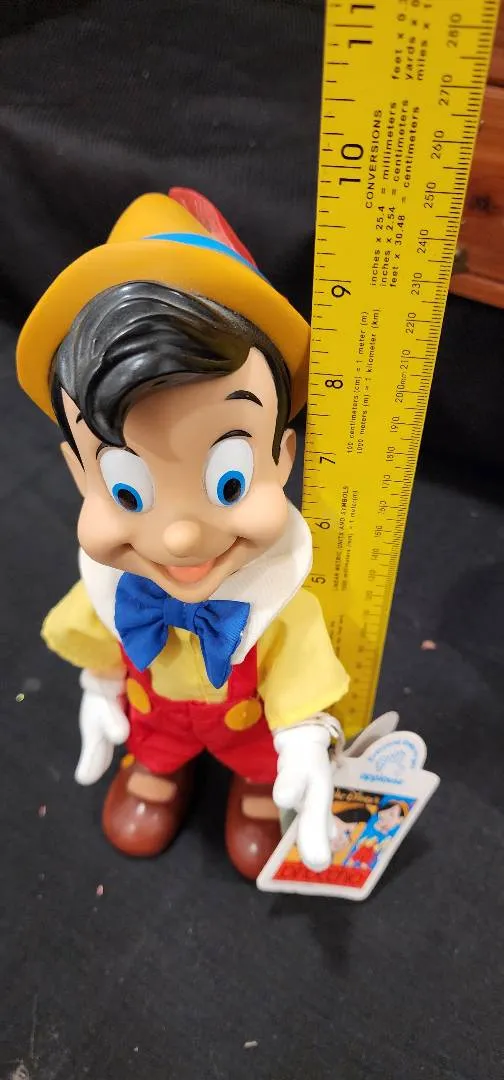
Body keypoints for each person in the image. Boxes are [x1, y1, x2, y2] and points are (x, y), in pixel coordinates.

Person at [16, 188, 349, 879]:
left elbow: (300, 668)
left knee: (262, 757)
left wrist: (303, 739)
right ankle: (158, 766)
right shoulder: (110, 586)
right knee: (154, 739)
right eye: (126, 491)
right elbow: (93, 636)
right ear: (78, 474)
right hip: (157, 714)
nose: (178, 539)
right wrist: (99, 690)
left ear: (282, 457)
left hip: (246, 725)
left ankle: (258, 781)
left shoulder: (277, 599)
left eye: (230, 480)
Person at [344, 798, 406, 871]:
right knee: (352, 861)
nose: (383, 814)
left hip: (371, 855)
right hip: (362, 849)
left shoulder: (391, 837)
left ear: (400, 820)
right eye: (383, 810)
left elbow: (382, 850)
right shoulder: (369, 824)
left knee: (363, 864)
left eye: (391, 814)